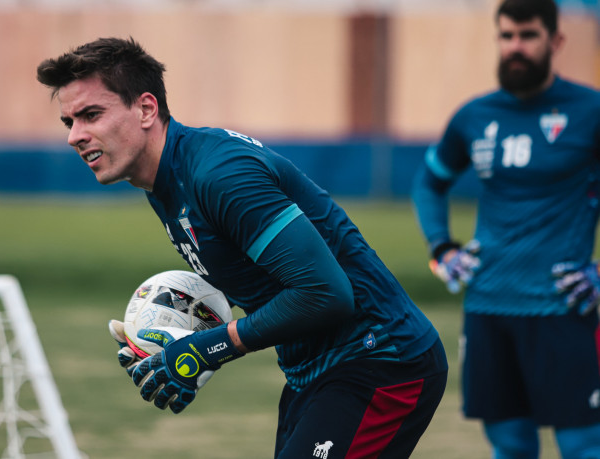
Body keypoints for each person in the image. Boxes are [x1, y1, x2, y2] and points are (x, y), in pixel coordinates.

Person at [38, 37, 448, 458]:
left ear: (146, 109)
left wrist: (206, 349)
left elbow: (325, 293)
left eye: (91, 115)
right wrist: (170, 338)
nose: (75, 136)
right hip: (313, 370)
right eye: (68, 121)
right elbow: (254, 277)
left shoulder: (219, 175)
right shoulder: (165, 182)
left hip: (380, 359)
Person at [411, 0, 600, 457]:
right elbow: (429, 183)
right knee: (510, 446)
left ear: (555, 41)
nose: (516, 47)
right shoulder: (474, 116)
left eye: (529, 35)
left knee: (583, 445)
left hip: (564, 310)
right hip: (489, 308)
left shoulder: (590, 111)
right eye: (507, 35)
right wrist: (442, 248)